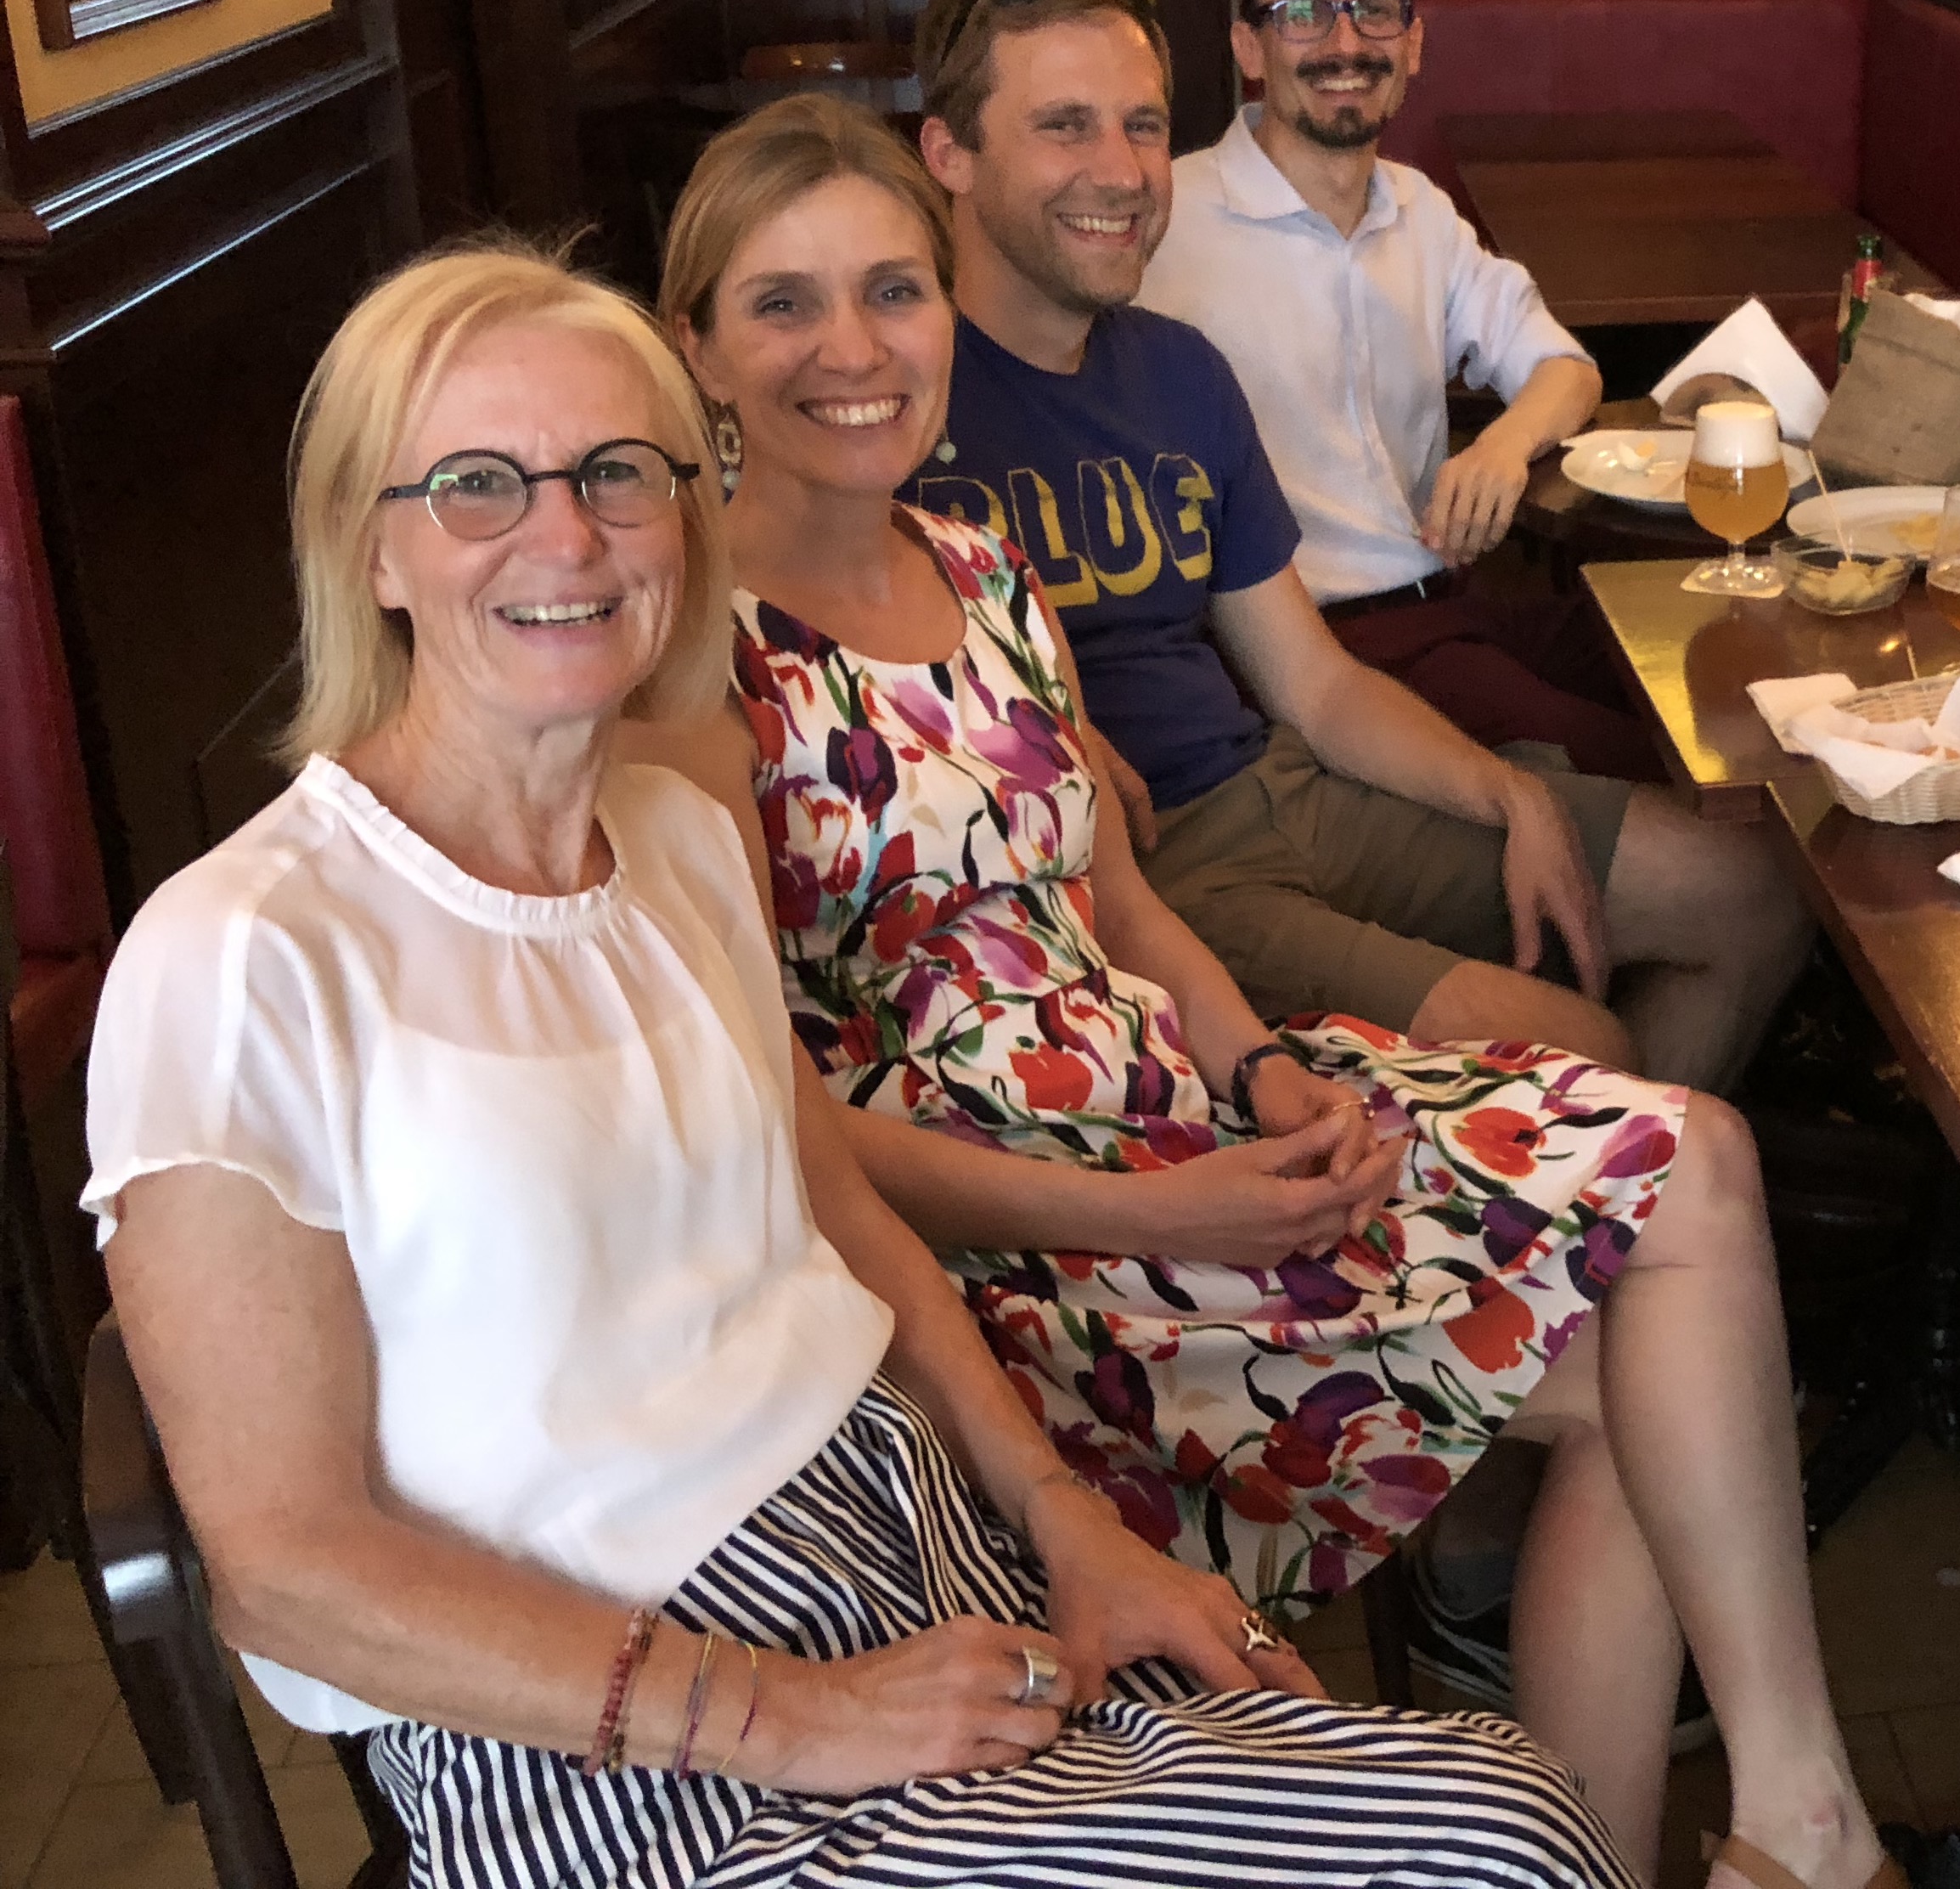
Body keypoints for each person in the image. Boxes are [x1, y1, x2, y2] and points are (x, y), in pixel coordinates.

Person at [82, 242, 1642, 1887]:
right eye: (478, 483)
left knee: (1508, 1810)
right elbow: (288, 1570)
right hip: (616, 1750)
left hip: (920, 1564)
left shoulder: (673, 835)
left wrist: (1063, 1517)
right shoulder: (245, 951)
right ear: (369, 543)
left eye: (618, 472)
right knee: (1496, 1852)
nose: (568, 535)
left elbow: (836, 1215)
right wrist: (785, 1715)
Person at [647, 93, 1898, 1886]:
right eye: (784, 303)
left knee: (1692, 1173)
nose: (852, 348)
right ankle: (1748, 1844)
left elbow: (1120, 899)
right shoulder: (689, 662)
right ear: (695, 345)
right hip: (1016, 1262)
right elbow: (787, 1125)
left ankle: (1784, 1817)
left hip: (1174, 1118)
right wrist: (1166, 1204)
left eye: (892, 292)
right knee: (1663, 1358)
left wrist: (1257, 1075)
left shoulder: (981, 566)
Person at [902, 0, 1811, 1091]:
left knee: (1755, 890)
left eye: (1142, 126)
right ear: (950, 153)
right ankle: (1638, 1176)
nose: (1122, 172)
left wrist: (1508, 793)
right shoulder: (891, 400)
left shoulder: (1180, 370)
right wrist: (1040, 735)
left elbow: (1315, 684)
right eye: (1064, 127)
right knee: (1592, 1052)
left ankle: (1636, 1183)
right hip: (1143, 874)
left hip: (1283, 785)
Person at [1141, 0, 1660, 781]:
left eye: (1373, 12)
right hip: (1316, 643)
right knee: (1640, 760)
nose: (1345, 43)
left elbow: (1566, 369)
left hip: (1451, 601)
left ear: (1413, 43)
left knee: (1695, 668)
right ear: (1248, 48)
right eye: (1304, 15)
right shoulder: (1167, 223)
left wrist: (1500, 446)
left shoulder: (1421, 212)